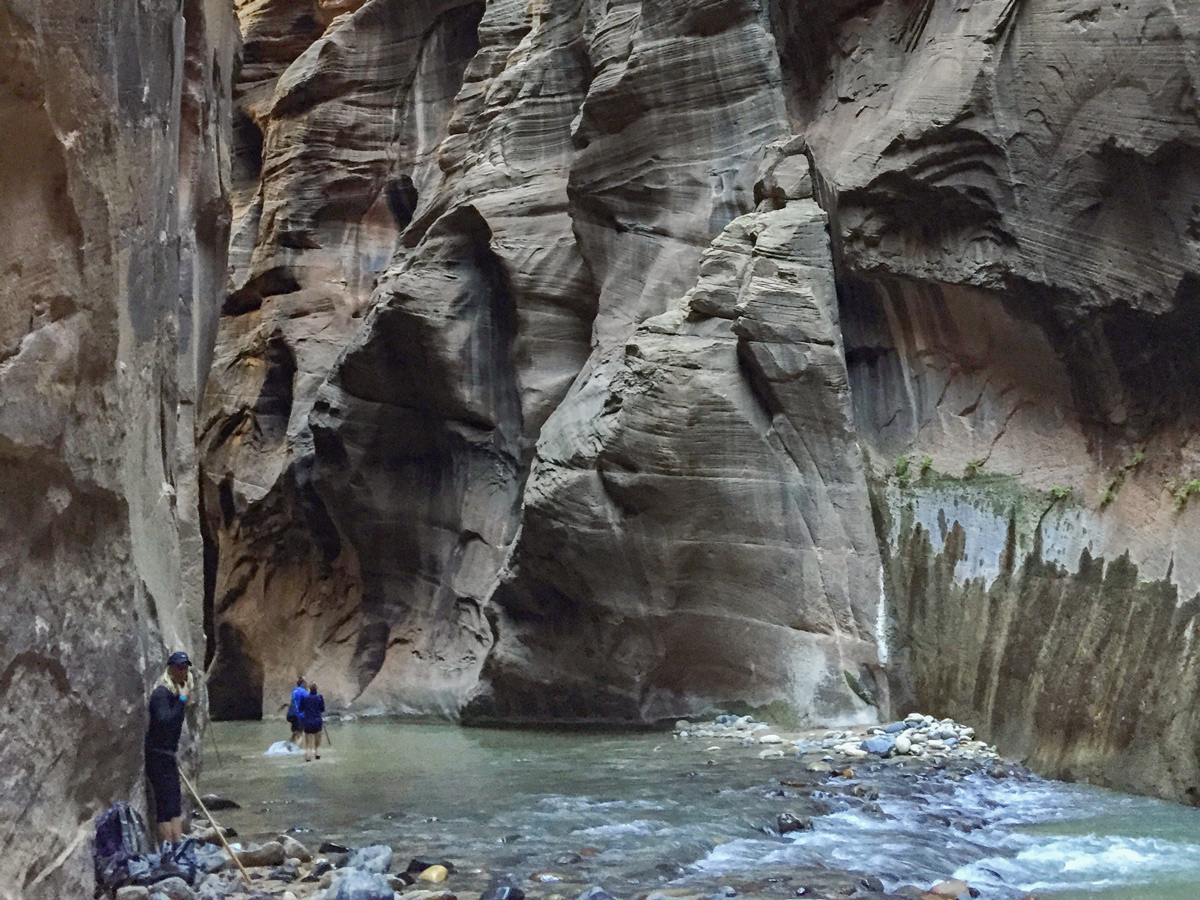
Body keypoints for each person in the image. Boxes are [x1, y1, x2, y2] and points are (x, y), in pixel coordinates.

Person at [145, 650, 193, 843]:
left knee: (174, 806)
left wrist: (181, 699)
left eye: (185, 668)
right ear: (171, 669)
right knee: (165, 808)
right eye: (179, 668)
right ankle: (169, 851)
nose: (183, 672)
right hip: (158, 756)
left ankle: (178, 847)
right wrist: (182, 700)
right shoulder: (161, 694)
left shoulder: (173, 695)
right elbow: (165, 720)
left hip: (167, 755)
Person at [298, 682, 325, 761]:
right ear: (316, 689)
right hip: (317, 721)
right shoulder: (320, 697)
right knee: (317, 740)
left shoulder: (305, 698)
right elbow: (322, 709)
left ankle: (308, 756)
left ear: (309, 689)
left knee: (308, 743)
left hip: (308, 722)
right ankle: (317, 753)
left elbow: (301, 709)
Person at [287, 677, 307, 745]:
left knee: (295, 732)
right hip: (299, 715)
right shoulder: (303, 691)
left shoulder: (294, 691)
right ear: (303, 684)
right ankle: (298, 747)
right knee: (300, 733)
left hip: (291, 714)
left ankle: (291, 744)